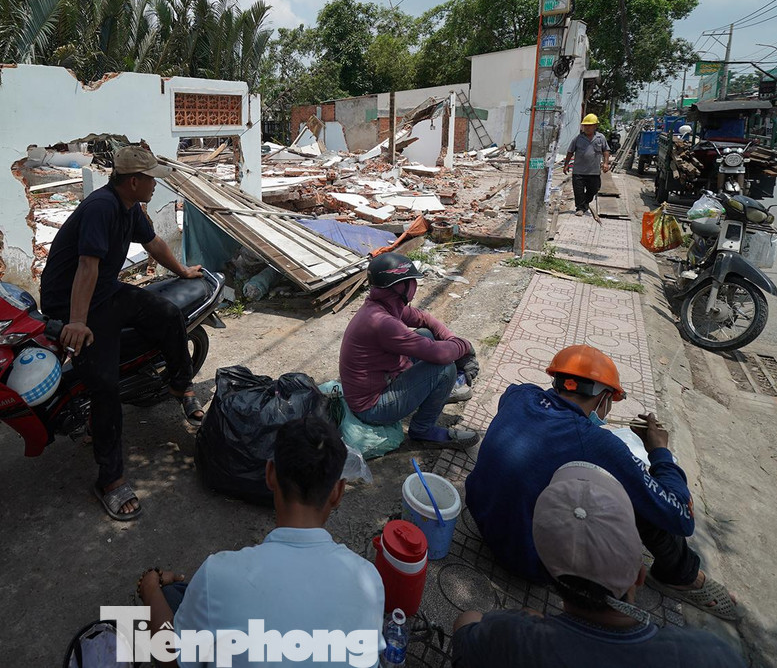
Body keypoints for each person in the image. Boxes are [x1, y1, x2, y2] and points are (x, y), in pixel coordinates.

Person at [465, 345, 739, 622]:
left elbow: (547, 438)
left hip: (482, 520)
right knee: (640, 501)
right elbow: (681, 517)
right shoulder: (597, 443)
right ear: (605, 398)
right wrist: (660, 453)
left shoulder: (519, 394)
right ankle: (682, 575)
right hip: (530, 560)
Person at [38, 145, 206, 521]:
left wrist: (180, 271)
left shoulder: (131, 208)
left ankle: (181, 384)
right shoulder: (102, 207)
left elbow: (154, 243)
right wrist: (77, 322)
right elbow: (86, 265)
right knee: (104, 385)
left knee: (167, 312)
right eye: (150, 180)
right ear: (133, 181)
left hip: (104, 290)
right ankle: (110, 480)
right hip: (70, 302)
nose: (153, 186)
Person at [138, 416, 384, 668]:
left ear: (269, 474)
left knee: (171, 596)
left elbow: (170, 659)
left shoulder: (218, 575)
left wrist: (150, 587)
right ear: (338, 492)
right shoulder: (369, 581)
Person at [452, 462, 745, 666]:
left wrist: (525, 619)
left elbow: (466, 626)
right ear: (640, 576)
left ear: (546, 570)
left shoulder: (510, 638)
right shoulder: (710, 655)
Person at [338, 252, 480, 446]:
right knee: (445, 368)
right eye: (412, 280)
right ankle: (423, 430)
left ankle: (437, 392)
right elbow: (439, 354)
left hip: (382, 383)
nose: (415, 285)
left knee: (425, 334)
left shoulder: (383, 304)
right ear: (400, 286)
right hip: (371, 408)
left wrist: (453, 340)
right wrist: (466, 347)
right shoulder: (383, 323)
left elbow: (424, 318)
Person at [563, 113, 611, 216]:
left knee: (594, 189)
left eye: (589, 125)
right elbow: (570, 151)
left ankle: (585, 203)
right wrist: (566, 164)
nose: (587, 128)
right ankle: (580, 208)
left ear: (595, 126)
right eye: (585, 125)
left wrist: (606, 163)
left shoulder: (600, 138)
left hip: (593, 171)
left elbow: (606, 150)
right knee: (578, 191)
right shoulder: (578, 139)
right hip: (578, 171)